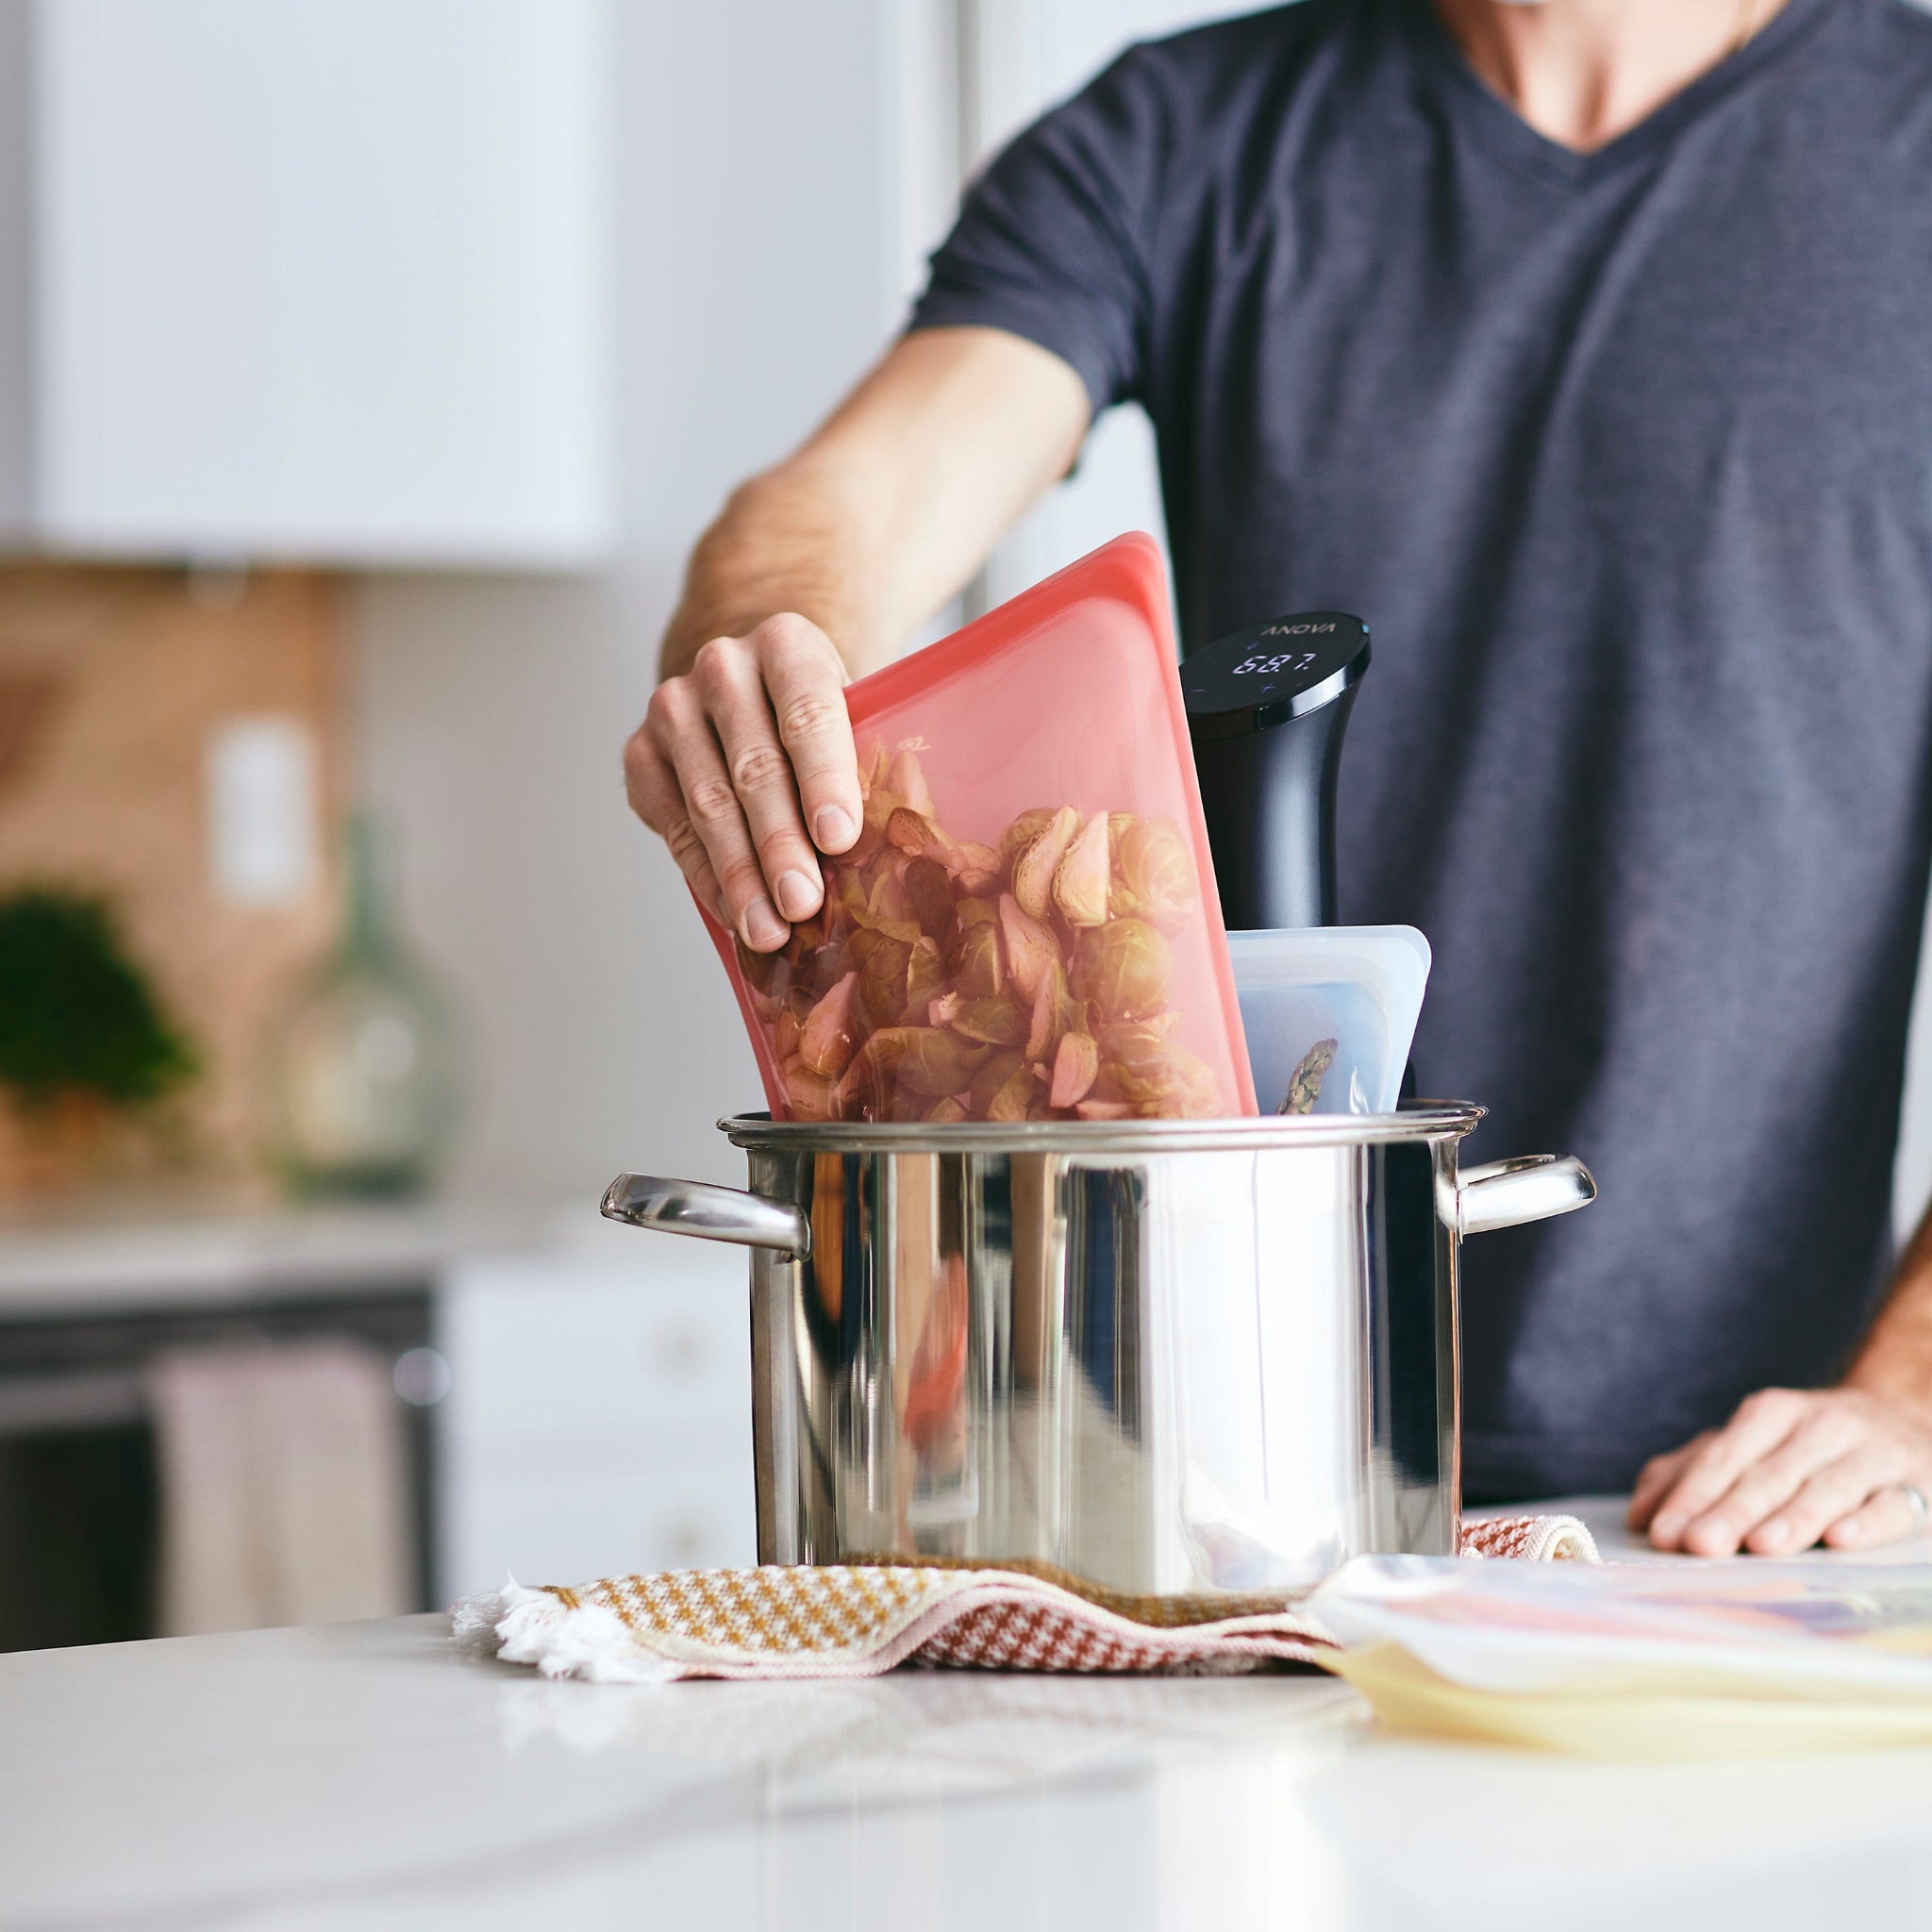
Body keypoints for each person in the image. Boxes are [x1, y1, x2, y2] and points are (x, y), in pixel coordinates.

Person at [625, 0, 1932, 1554]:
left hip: (1733, 1525)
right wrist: (772, 661)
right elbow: (846, 505)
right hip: (1209, 1471)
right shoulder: (1183, 135)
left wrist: (1906, 1402)